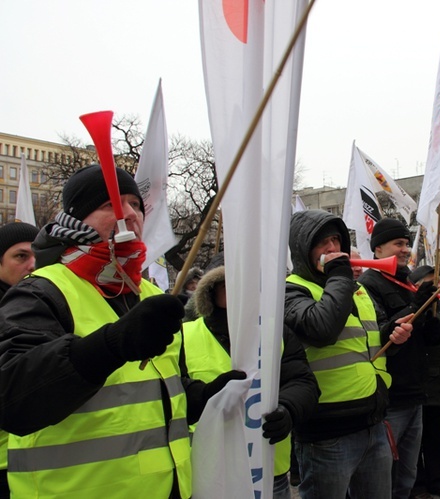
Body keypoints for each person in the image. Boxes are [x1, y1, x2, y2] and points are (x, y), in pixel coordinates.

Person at [0, 164, 244, 498]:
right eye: (109, 205)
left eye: (136, 204)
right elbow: (13, 398)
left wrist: (203, 397)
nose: (129, 213)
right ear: (76, 220)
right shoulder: (40, 292)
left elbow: (155, 393)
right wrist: (111, 346)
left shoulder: (151, 295)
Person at [284, 209, 412, 499]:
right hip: (327, 431)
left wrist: (393, 333)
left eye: (335, 240)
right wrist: (339, 276)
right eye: (322, 242)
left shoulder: (355, 289)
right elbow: (322, 329)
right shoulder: (291, 290)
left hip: (372, 421)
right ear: (303, 248)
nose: (332, 249)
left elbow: (366, 341)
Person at [182, 265, 319, 499]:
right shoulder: (184, 336)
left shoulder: (276, 332)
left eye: (247, 284)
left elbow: (302, 381)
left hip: (268, 469)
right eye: (229, 285)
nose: (239, 291)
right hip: (212, 472)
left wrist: (287, 409)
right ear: (211, 291)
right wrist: (206, 396)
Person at [357, 218, 440, 499]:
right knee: (386, 476)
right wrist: (415, 308)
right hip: (391, 397)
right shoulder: (368, 284)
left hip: (415, 392)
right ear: (378, 248)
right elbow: (381, 336)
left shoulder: (406, 281)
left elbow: (428, 339)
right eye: (399, 243)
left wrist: (431, 317)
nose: (406, 249)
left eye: (407, 243)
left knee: (407, 474)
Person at [406, 266, 440, 499]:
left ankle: (437, 480)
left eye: (436, 282)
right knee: (416, 440)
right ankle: (417, 484)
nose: (435, 287)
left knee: (435, 438)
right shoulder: (415, 309)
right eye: (429, 283)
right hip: (422, 383)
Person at [0, 221, 39, 499]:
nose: (33, 265)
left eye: (37, 254)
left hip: (33, 463)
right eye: (21, 256)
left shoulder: (46, 307)